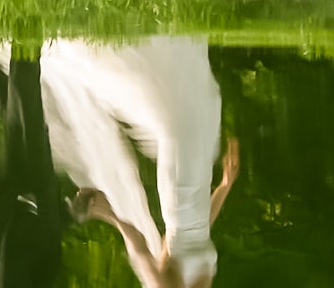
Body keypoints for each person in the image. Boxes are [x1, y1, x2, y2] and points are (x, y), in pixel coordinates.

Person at [41, 37, 240, 287]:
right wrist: (225, 185)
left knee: (182, 116)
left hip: (180, 192)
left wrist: (109, 214)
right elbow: (201, 231)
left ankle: (128, 40)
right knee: (201, 107)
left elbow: (139, 245)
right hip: (198, 189)